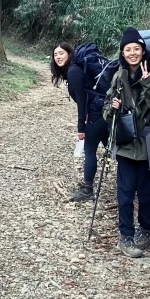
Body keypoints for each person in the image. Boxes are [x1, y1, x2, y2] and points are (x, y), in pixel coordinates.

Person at [103, 28, 150, 258]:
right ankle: (126, 236)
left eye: (136, 49)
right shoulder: (117, 77)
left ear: (143, 51)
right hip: (125, 144)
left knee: (146, 192)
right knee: (124, 193)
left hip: (149, 144)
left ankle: (147, 231)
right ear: (122, 53)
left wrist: (149, 83)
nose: (132, 53)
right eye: (128, 49)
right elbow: (105, 111)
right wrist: (111, 108)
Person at [50, 42, 110, 202]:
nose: (58, 57)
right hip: (105, 110)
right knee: (111, 147)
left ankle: (87, 189)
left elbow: (82, 101)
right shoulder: (77, 68)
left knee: (90, 150)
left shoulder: (74, 71)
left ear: (70, 54)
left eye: (61, 53)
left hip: (96, 113)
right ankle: (130, 183)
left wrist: (81, 127)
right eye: (55, 54)